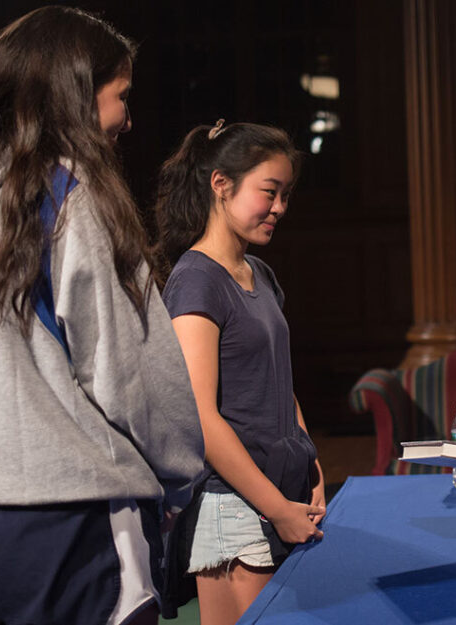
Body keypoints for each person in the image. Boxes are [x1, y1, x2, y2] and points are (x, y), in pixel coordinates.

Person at [0, 7, 205, 625]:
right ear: (73, 92)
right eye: (121, 97)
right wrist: (182, 473)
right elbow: (128, 371)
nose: (128, 120)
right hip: (77, 518)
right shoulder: (70, 192)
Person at [155, 120, 325, 625]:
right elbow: (200, 420)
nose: (279, 208)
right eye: (269, 192)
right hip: (235, 505)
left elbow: (279, 382)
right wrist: (277, 508)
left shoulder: (260, 273)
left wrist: (310, 464)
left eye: (286, 195)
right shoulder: (195, 281)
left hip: (279, 491)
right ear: (221, 185)